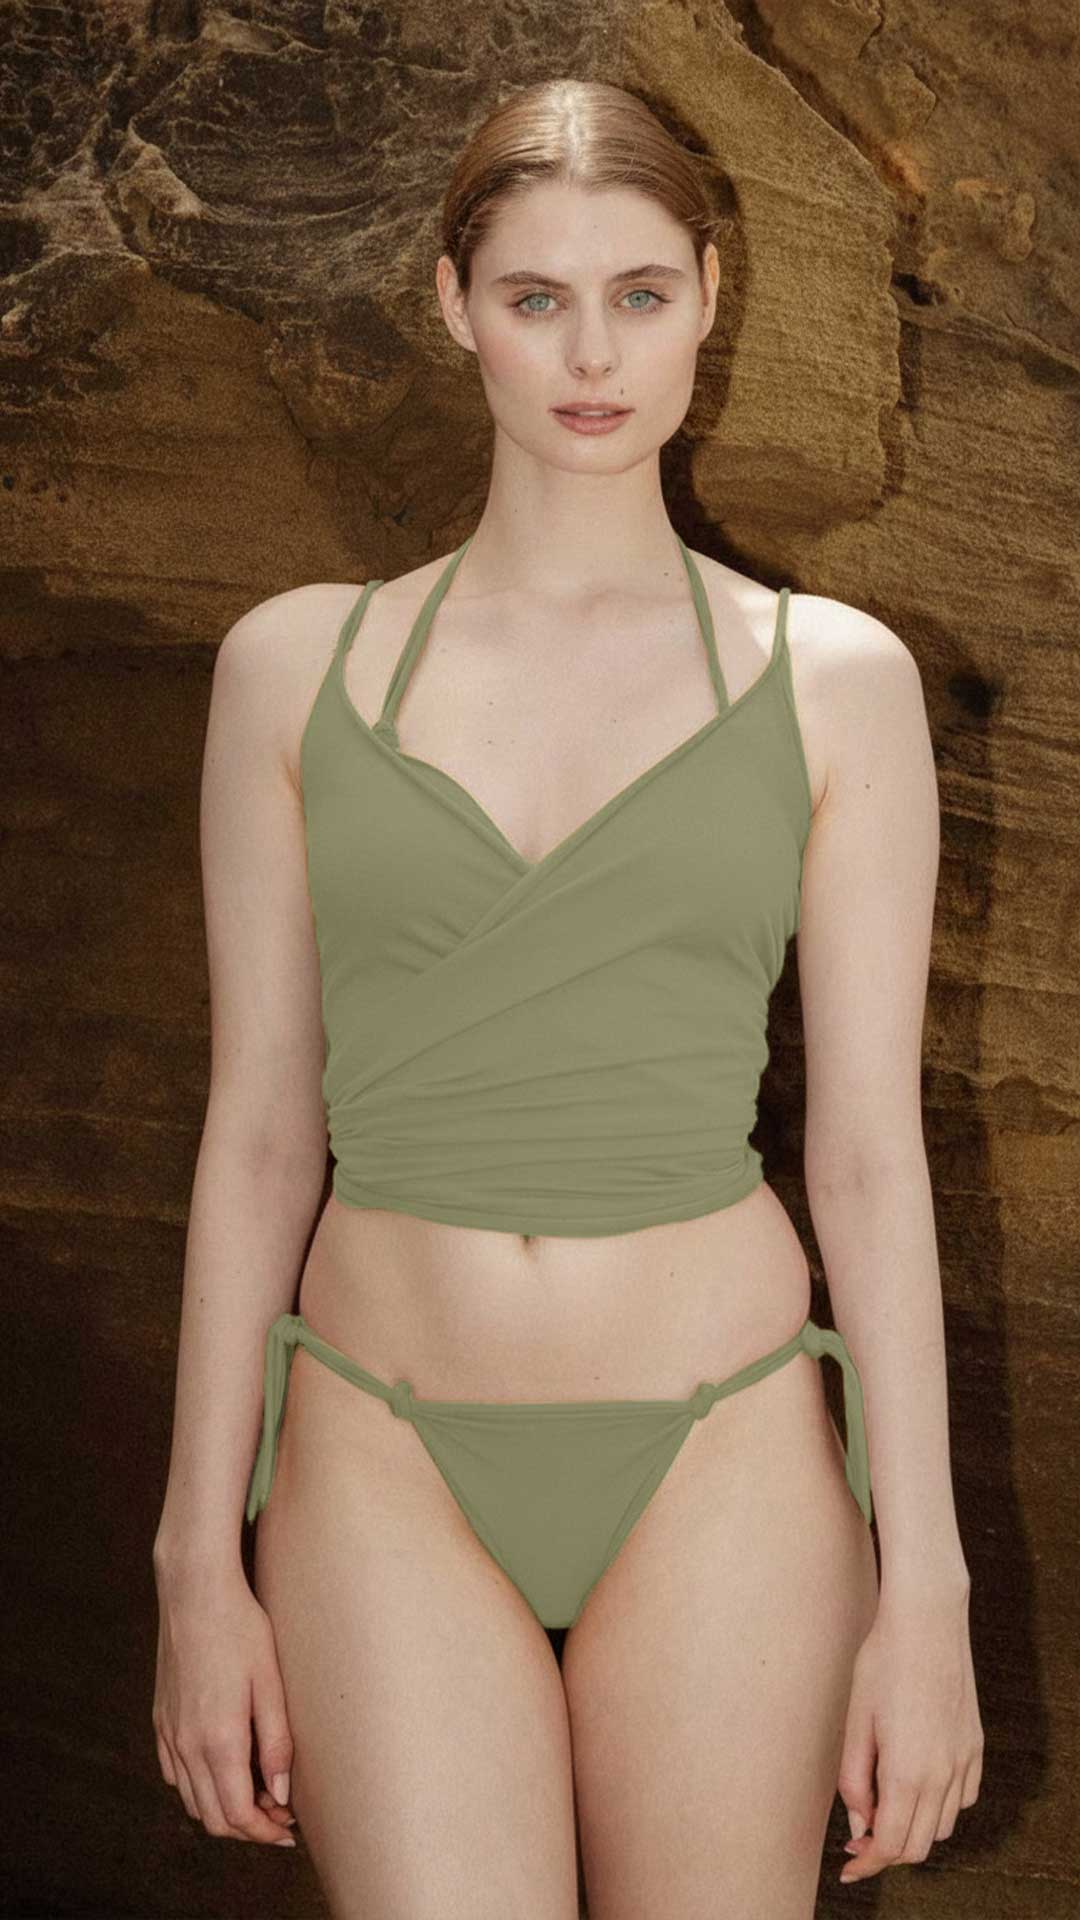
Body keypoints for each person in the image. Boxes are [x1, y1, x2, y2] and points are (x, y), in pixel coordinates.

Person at [152, 77, 982, 1919]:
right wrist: (193, 1561)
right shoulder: (290, 668)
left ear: (711, 297)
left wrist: (925, 1586)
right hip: (379, 1440)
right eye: (536, 299)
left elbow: (866, 1155)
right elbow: (261, 1132)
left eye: (640, 294)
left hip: (720, 1440)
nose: (592, 356)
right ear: (453, 306)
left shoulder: (836, 683)